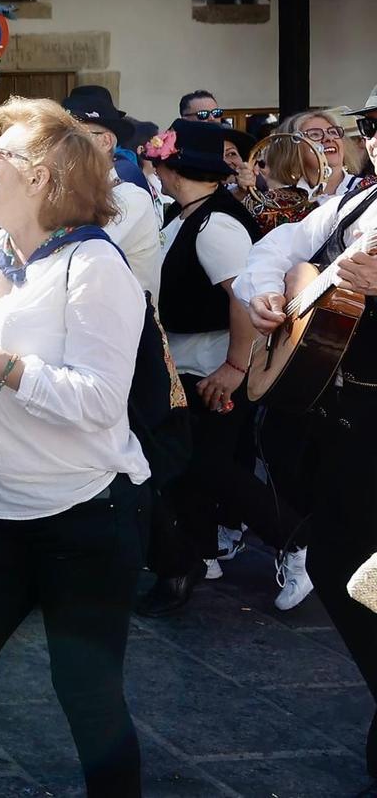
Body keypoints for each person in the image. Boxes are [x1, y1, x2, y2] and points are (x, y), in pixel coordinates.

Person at [0, 97, 150, 797]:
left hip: (86, 515)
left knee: (86, 694)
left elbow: (101, 399)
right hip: (0, 513)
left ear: (42, 177)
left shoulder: (93, 265)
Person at [240, 119, 377, 780]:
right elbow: (278, 254)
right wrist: (268, 293)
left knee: (349, 571)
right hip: (344, 421)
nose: (375, 140)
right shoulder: (355, 199)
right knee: (342, 570)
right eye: (374, 127)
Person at [137, 119, 286, 619]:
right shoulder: (190, 215)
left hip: (215, 370)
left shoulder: (214, 223)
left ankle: (296, 540)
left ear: (172, 168)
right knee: (191, 472)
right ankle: (191, 563)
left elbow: (243, 299)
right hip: (190, 367)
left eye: (159, 164)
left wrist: (234, 367)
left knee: (207, 467)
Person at [65, 86, 163, 296]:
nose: (60, 145)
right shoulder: (70, 193)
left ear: (105, 141)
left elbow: (73, 256)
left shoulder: (131, 198)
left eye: (73, 135)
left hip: (127, 326)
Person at [289, 107, 359, 197]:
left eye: (333, 132)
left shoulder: (369, 191)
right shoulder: (279, 202)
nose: (329, 138)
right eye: (314, 134)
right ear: (295, 148)